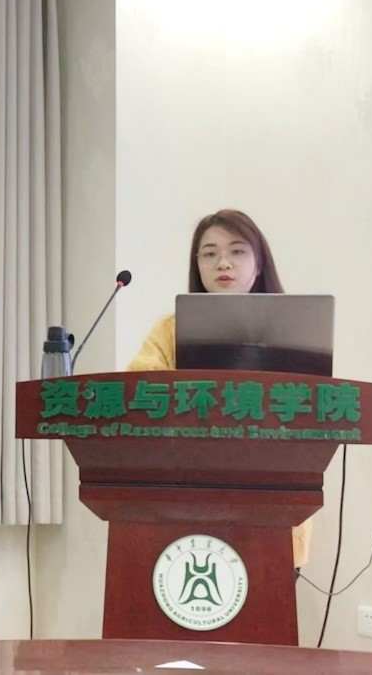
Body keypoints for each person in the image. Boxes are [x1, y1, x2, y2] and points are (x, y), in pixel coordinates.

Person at [127, 209, 312, 569]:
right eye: (209, 254)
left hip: (274, 504)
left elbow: (313, 405)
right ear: (197, 265)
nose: (222, 263)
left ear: (259, 263)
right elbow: (139, 391)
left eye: (237, 251)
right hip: (187, 502)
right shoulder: (170, 330)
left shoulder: (294, 330)